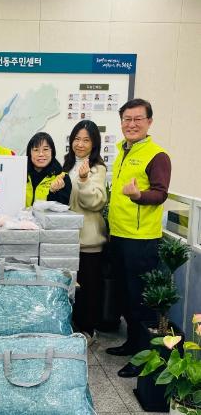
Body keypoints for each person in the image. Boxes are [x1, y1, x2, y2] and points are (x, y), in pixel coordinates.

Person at [106, 98, 171, 378]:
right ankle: (132, 344)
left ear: (149, 122)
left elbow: (160, 192)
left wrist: (138, 195)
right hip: (120, 235)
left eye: (137, 119)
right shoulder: (123, 149)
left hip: (142, 239)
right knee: (124, 296)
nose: (131, 124)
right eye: (127, 119)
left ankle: (144, 359)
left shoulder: (157, 155)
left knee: (140, 301)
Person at [63, 120, 107, 341]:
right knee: (69, 288)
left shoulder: (97, 169)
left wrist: (83, 179)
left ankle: (88, 331)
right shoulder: (67, 165)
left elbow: (95, 202)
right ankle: (71, 329)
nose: (80, 144)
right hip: (67, 238)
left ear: (94, 144)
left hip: (88, 241)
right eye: (77, 139)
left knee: (88, 290)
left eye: (86, 140)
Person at [25, 132, 71, 207]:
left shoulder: (62, 178)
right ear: (30, 153)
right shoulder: (21, 175)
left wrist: (53, 192)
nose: (41, 154)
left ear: (52, 152)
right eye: (36, 150)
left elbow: (62, 210)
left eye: (45, 149)